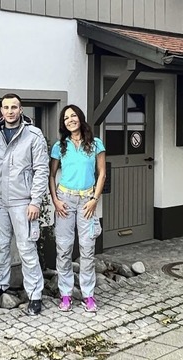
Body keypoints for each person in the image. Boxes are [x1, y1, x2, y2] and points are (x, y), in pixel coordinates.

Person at [0, 93, 49, 315]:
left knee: (27, 249)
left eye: (14, 107)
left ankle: (35, 294)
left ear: (21, 109)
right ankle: (1, 285)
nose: (10, 111)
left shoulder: (33, 135)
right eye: (6, 107)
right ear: (1, 110)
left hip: (23, 203)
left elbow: (41, 170)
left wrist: (35, 201)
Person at [49, 105, 106, 312]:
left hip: (87, 202)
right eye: (66, 118)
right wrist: (55, 200)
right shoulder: (60, 146)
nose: (70, 120)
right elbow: (52, 175)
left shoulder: (95, 144)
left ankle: (88, 295)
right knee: (63, 249)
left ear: (80, 118)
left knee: (87, 249)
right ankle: (65, 294)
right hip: (65, 200)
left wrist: (95, 199)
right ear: (63, 124)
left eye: (73, 116)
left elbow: (102, 174)